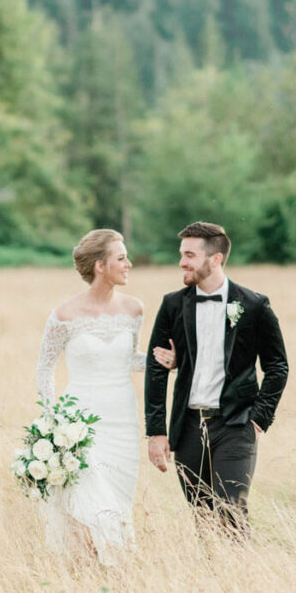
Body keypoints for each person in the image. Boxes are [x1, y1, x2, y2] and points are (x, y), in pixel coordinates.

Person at [36, 228, 173, 564]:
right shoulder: (65, 315)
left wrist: (167, 363)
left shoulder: (134, 309)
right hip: (80, 425)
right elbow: (44, 369)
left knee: (116, 504)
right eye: (121, 258)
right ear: (100, 265)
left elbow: (131, 359)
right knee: (87, 505)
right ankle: (84, 572)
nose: (128, 264)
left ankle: (116, 577)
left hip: (123, 422)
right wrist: (55, 422)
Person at [145, 221, 289, 532]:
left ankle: (242, 578)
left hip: (236, 425)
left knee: (231, 513)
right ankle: (214, 579)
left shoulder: (253, 305)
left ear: (215, 259)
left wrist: (259, 418)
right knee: (202, 518)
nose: (182, 262)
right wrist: (156, 431)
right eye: (181, 254)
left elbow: (277, 365)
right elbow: (156, 366)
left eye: (189, 255)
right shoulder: (172, 304)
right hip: (188, 428)